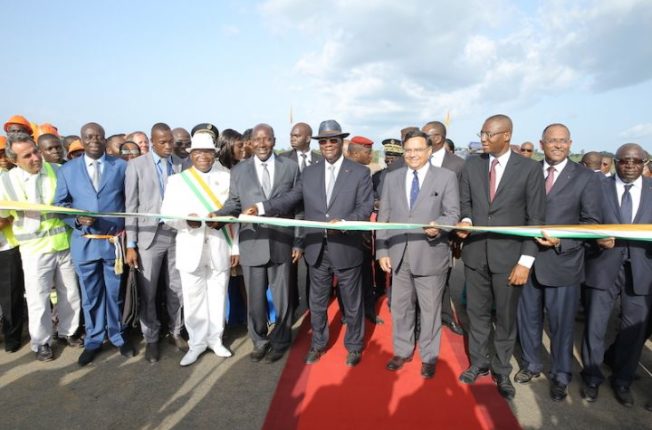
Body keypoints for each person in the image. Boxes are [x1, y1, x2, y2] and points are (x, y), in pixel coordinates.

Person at [255, 120, 374, 367]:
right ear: (318, 144)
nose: (328, 145)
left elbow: (364, 208)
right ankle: (318, 344)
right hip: (316, 249)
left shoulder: (360, 172)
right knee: (317, 304)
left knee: (352, 303)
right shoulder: (309, 172)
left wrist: (344, 221)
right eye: (324, 141)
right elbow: (290, 198)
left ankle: (353, 346)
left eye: (333, 140)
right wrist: (261, 207)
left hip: (346, 248)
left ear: (342, 143)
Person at [456, 114, 546, 400]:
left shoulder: (529, 170)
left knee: (506, 319)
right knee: (477, 314)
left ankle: (502, 370)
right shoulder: (472, 165)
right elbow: (465, 203)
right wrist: (467, 220)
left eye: (489, 134)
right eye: (481, 132)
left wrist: (525, 261)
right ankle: (479, 362)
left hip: (509, 260)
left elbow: (535, 219)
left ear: (506, 135)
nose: (483, 138)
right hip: (475, 254)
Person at [515, 124, 602, 401]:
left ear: (570, 144)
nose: (557, 146)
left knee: (562, 326)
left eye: (563, 141)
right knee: (527, 319)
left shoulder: (586, 178)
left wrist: (562, 242)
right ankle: (531, 364)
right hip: (528, 260)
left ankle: (561, 375)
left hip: (563, 264)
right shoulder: (529, 172)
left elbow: (591, 224)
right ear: (542, 144)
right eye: (552, 141)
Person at [376, 129, 460, 379]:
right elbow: (384, 217)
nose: (412, 154)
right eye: (408, 150)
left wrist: (439, 226)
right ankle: (402, 351)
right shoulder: (392, 178)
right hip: (399, 255)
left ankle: (429, 356)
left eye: (418, 150)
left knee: (430, 310)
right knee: (400, 308)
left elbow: (453, 213)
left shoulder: (445, 177)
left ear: (429, 151)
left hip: (431, 255)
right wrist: (382, 250)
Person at [217, 123, 300, 364]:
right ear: (250, 142)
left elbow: (298, 208)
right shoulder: (239, 170)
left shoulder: (290, 168)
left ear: (274, 141)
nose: (262, 144)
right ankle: (259, 341)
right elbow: (233, 203)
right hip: (252, 243)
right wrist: (218, 215)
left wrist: (298, 242)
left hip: (281, 242)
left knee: (283, 297)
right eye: (257, 140)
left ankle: (282, 340)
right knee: (254, 299)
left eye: (267, 139)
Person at [54, 122, 135, 366]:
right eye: (89, 136)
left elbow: (130, 203)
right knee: (90, 295)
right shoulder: (68, 170)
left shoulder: (120, 166)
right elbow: (60, 205)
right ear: (81, 139)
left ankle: (117, 335)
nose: (94, 140)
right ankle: (93, 339)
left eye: (99, 136)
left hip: (113, 245)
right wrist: (76, 219)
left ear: (104, 139)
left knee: (114, 293)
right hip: (85, 243)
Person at [581, 143, 652, 407]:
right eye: (624, 161)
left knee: (633, 330)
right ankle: (591, 377)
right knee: (595, 326)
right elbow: (584, 222)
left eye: (635, 161)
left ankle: (622, 380)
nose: (630, 165)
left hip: (643, 269)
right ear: (614, 162)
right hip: (602, 266)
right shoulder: (597, 187)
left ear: (644, 162)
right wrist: (595, 239)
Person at [0, 133, 82, 360]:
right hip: (34, 249)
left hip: (63, 244)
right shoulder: (5, 181)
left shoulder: (56, 171)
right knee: (38, 298)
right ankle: (42, 342)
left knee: (70, 293)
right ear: (15, 160)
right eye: (27, 156)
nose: (35, 157)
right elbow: (4, 215)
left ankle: (69, 332)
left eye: (35, 151)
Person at [160, 132, 239, 366]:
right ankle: (196, 343)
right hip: (190, 245)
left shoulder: (227, 177)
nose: (203, 156)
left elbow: (236, 214)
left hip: (219, 244)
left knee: (217, 295)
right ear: (191, 154)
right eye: (198, 152)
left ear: (214, 154)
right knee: (193, 298)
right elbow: (166, 215)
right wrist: (185, 220)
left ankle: (216, 340)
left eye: (207, 152)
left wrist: (235, 248)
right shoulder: (177, 180)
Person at [125, 123, 187, 363]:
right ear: (152, 142)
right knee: (148, 291)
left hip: (177, 234)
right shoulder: (136, 166)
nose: (169, 146)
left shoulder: (181, 164)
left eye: (171, 141)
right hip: (148, 237)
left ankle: (176, 331)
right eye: (163, 142)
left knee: (176, 288)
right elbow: (130, 207)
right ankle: (151, 338)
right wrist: (131, 244)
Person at [422, 121, 465, 336]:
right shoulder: (415, 159)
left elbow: (462, 199)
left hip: (446, 231)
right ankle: (421, 321)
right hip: (418, 230)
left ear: (438, 138)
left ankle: (446, 316)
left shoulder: (457, 164)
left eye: (426, 134)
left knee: (444, 276)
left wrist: (455, 232)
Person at [280, 122, 323, 319]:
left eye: (297, 135)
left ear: (308, 137)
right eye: (291, 134)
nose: (292, 138)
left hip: (314, 221)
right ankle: (292, 305)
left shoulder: (320, 160)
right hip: (290, 221)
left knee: (314, 266)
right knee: (290, 268)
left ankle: (310, 306)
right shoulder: (282, 160)